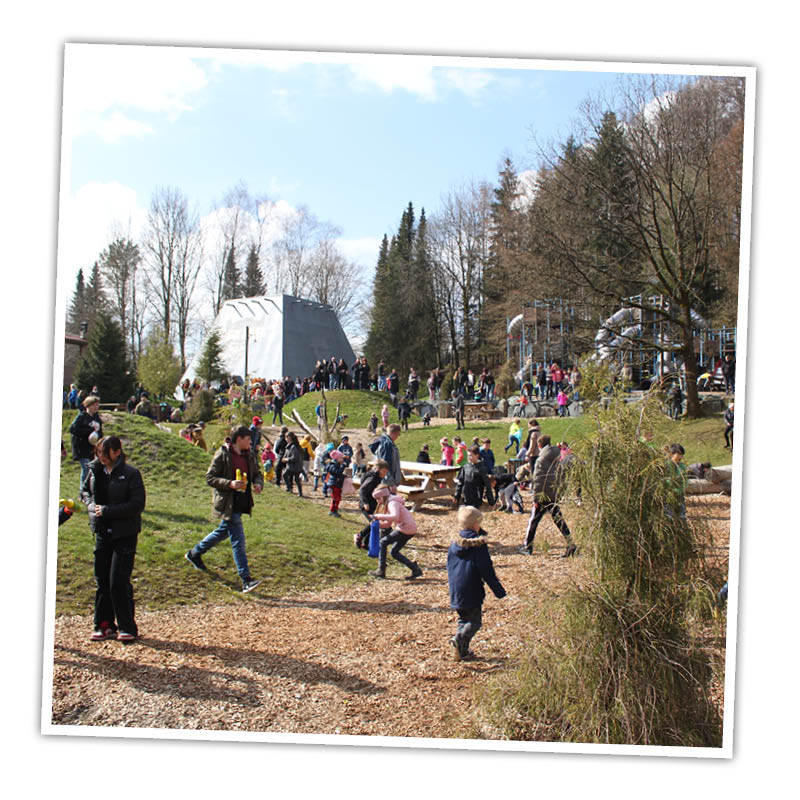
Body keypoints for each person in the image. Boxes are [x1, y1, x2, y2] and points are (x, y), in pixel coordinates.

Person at [185, 426, 264, 592]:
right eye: (248, 438)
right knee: (238, 540)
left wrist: (257, 483)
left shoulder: (249, 455)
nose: (251, 441)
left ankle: (194, 553)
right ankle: (246, 579)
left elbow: (257, 473)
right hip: (227, 502)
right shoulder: (222, 454)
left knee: (222, 531)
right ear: (239, 439)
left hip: (241, 501)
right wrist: (229, 484)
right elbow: (210, 478)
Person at [82, 436, 146, 642]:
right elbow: (85, 492)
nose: (100, 457)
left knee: (118, 580)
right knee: (102, 579)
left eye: (104, 452)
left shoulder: (131, 474)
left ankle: (127, 626)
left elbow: (137, 504)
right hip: (102, 531)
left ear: (117, 452)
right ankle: (104, 624)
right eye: (98, 452)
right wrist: (92, 507)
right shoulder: (95, 472)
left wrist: (108, 511)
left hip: (124, 533)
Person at [447, 505, 506, 661]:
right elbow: (486, 569)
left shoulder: (455, 544)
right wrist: (498, 590)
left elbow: (449, 565)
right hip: (471, 588)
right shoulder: (478, 546)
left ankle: (462, 651)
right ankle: (459, 640)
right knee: (474, 622)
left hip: (456, 588)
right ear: (476, 525)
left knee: (463, 619)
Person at [521, 435, 576, 557]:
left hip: (543, 495)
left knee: (534, 521)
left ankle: (528, 547)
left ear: (540, 445)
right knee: (559, 520)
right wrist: (559, 493)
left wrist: (535, 498)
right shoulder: (558, 457)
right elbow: (562, 476)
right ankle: (571, 544)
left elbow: (538, 480)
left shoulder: (541, 460)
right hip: (553, 493)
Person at [370, 487, 422, 580]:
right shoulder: (389, 503)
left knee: (383, 542)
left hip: (405, 528)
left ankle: (381, 570)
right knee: (394, 552)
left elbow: (394, 516)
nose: (378, 502)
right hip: (408, 529)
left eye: (378, 499)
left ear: (384, 496)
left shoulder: (392, 503)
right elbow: (387, 524)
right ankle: (415, 569)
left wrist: (378, 516)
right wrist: (377, 525)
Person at [69, 394, 103, 494]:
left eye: (97, 405)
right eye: (94, 405)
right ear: (88, 405)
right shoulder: (81, 417)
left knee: (92, 469)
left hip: (92, 447)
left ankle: (91, 490)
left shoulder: (97, 418)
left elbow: (100, 433)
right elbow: (73, 429)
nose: (96, 407)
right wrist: (89, 430)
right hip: (81, 447)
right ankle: (82, 492)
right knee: (86, 468)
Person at [354, 460, 390, 549]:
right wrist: (365, 503)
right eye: (384, 471)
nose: (385, 474)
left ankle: (366, 543)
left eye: (386, 472)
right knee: (374, 522)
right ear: (378, 469)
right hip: (366, 504)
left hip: (372, 503)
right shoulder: (372, 478)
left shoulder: (377, 477)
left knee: (376, 523)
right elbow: (362, 490)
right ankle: (359, 536)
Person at [368, 423, 403, 488]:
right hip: (386, 482)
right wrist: (391, 483)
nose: (397, 437)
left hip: (381, 479)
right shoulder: (387, 444)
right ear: (395, 433)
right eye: (398, 434)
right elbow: (384, 465)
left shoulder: (383, 441)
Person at [324, 449, 347, 516]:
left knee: (337, 498)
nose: (342, 459)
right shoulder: (332, 465)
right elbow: (337, 473)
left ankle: (334, 510)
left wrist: (343, 476)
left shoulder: (336, 465)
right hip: (334, 484)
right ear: (337, 458)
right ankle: (333, 510)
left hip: (336, 483)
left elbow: (338, 474)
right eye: (341, 457)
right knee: (335, 498)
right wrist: (343, 466)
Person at [282, 431, 305, 496]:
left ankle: (297, 491)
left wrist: (286, 459)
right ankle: (290, 488)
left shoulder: (294, 447)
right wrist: (284, 458)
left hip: (295, 466)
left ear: (290, 438)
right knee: (286, 475)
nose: (286, 439)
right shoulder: (288, 446)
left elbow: (294, 458)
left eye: (287, 438)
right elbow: (286, 454)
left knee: (296, 479)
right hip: (291, 466)